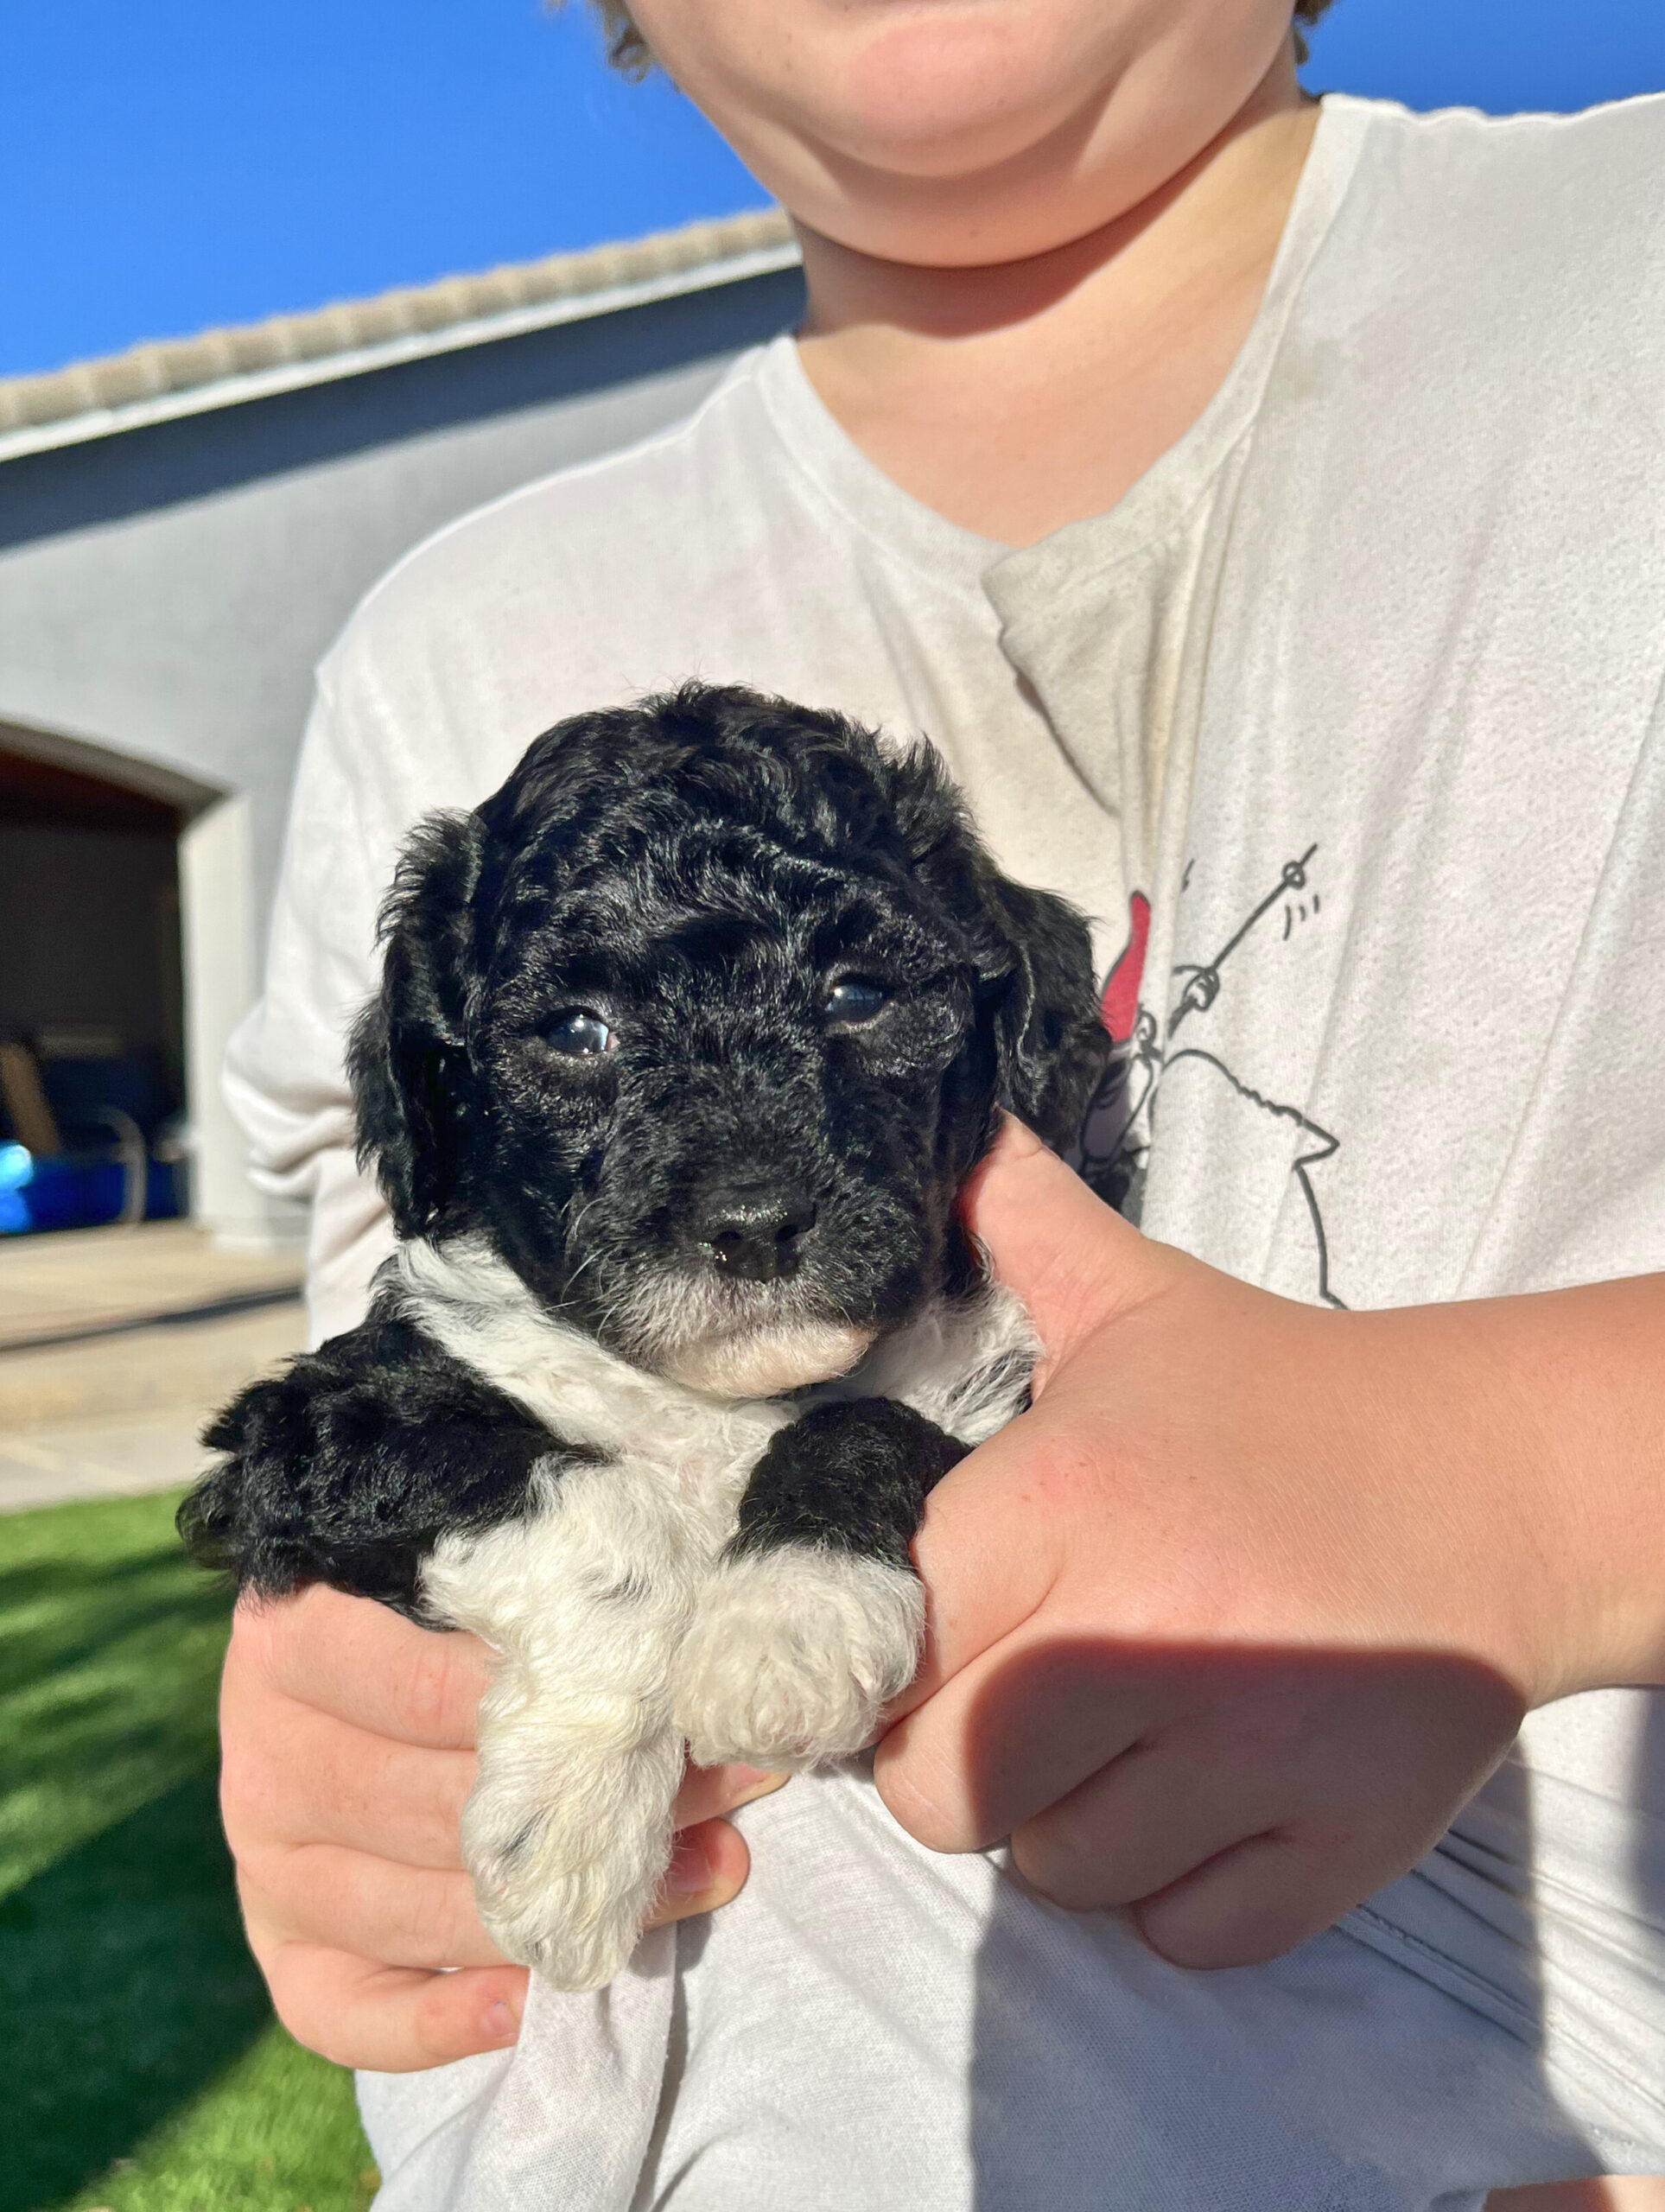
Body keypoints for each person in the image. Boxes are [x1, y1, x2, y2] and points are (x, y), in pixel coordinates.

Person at [219, 2, 1665, 2205]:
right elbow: (414, 1349)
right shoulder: (453, 643)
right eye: (576, 1042)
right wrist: (335, 1717)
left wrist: (1535, 1490)